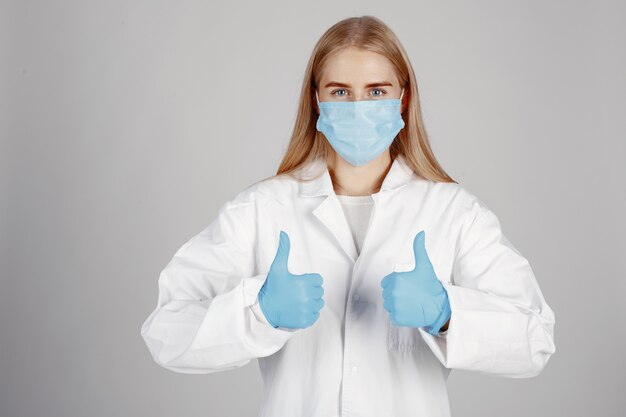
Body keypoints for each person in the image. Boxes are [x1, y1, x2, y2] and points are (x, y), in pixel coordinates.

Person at [140, 15, 556, 417]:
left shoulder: (454, 212)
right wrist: (257, 313)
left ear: (403, 98)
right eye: (340, 92)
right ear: (316, 100)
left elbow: (535, 340)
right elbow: (166, 333)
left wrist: (447, 313)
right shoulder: (260, 210)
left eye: (377, 91)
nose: (359, 106)